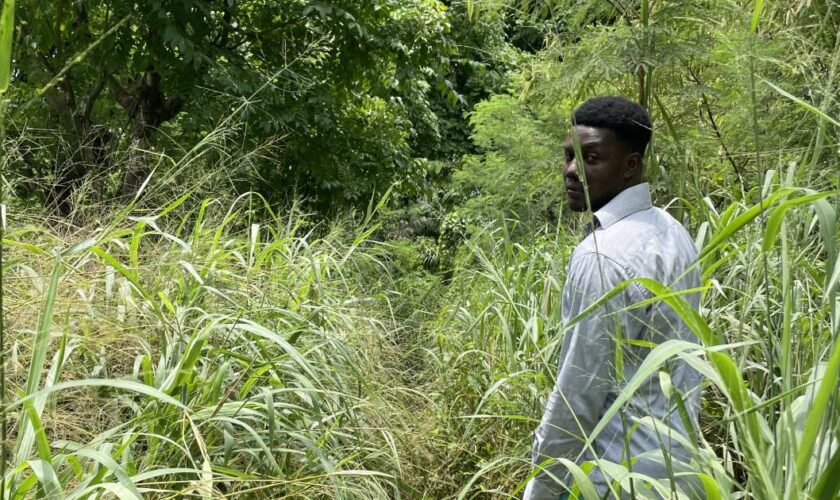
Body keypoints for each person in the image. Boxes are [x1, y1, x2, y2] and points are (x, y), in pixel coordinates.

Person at [524, 96, 703, 499]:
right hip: (682, 472)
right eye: (569, 156)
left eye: (591, 158)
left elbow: (577, 397)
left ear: (629, 166)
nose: (572, 171)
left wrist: (542, 490)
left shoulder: (601, 255)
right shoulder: (675, 233)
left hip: (618, 478)